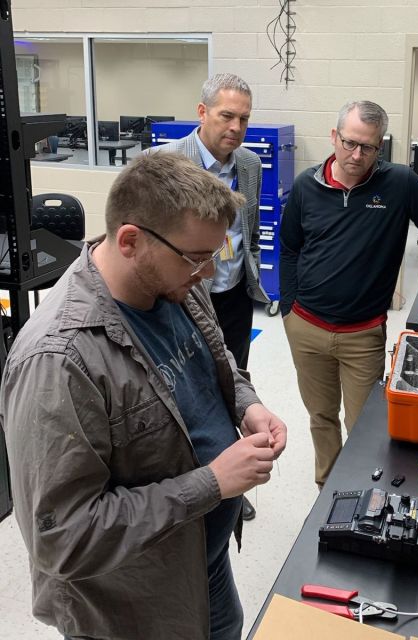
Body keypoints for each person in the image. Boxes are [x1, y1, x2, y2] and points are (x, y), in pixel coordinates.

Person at [0, 153, 287, 640]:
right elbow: (62, 540)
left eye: (213, 256)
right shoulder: (59, 361)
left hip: (201, 565)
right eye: (198, 258)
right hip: (132, 611)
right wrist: (212, 484)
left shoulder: (176, 282)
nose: (208, 274)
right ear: (131, 240)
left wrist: (247, 403)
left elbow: (215, 362)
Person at [280, 100, 418, 487]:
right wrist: (288, 306)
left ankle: (356, 491)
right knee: (320, 416)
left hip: (363, 335)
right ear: (334, 137)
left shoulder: (401, 184)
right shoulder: (307, 185)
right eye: (349, 142)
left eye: (368, 147)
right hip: (305, 327)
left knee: (363, 426)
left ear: (380, 147)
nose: (357, 155)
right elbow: (289, 247)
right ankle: (326, 488)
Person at [151, 73, 266, 521]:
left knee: (232, 382)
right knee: (184, 388)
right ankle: (193, 485)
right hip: (183, 296)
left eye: (244, 119)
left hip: (233, 294)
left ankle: (232, 483)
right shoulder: (165, 163)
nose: (236, 127)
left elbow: (245, 231)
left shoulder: (250, 165)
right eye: (226, 116)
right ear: (202, 113)